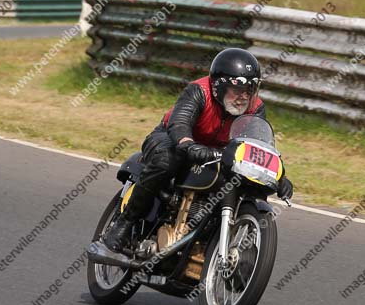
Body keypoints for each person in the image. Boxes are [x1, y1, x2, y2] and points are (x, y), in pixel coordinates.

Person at [97, 48, 294, 255]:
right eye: (237, 90)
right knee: (167, 160)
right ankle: (125, 222)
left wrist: (279, 177)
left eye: (249, 90)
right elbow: (179, 123)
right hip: (172, 139)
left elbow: (258, 146)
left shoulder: (256, 108)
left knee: (247, 181)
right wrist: (188, 144)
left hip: (218, 151)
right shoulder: (199, 91)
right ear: (219, 86)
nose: (242, 97)